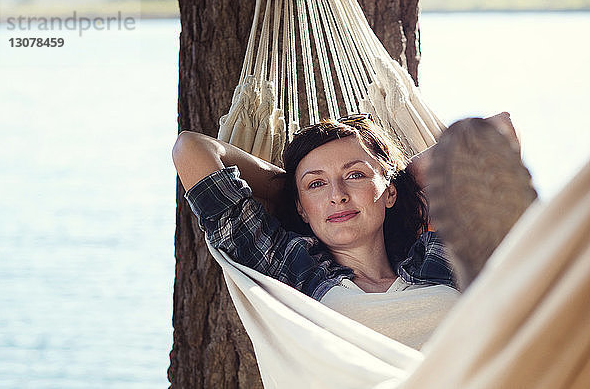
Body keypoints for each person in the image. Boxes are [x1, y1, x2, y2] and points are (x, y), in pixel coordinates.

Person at [173, 114, 461, 349]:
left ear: (390, 193)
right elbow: (191, 149)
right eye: (317, 185)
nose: (337, 195)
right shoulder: (292, 273)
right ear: (301, 209)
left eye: (355, 175)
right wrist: (289, 190)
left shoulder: (433, 261)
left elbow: (496, 132)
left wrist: (399, 180)